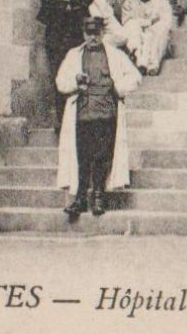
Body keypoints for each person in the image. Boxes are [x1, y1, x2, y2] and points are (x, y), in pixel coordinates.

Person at [56, 16, 141, 218]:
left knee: (101, 157)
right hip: (82, 114)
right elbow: (60, 83)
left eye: (96, 32)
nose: (93, 37)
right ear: (84, 33)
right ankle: (80, 199)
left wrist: (116, 86)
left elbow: (135, 77)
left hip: (106, 113)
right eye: (89, 33)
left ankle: (98, 197)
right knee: (83, 157)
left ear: (103, 33)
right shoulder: (73, 55)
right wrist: (76, 82)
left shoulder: (115, 55)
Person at [119, 0, 173, 75]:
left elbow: (167, 23)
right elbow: (126, 22)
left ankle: (153, 65)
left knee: (160, 28)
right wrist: (149, 22)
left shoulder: (162, 2)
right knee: (131, 26)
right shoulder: (129, 3)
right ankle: (140, 63)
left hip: (156, 39)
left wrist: (146, 27)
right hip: (137, 38)